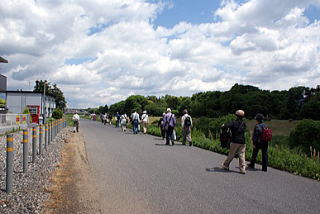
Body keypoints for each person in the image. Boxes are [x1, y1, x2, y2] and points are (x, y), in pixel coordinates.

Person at [221, 110, 247, 174]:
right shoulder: (243, 123)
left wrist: (223, 125)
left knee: (231, 154)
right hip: (243, 141)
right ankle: (242, 168)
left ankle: (226, 165)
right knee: (242, 155)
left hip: (235, 141)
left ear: (236, 115)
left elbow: (226, 126)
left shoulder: (234, 122)